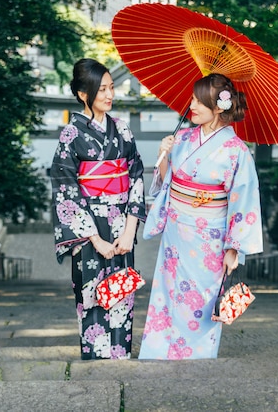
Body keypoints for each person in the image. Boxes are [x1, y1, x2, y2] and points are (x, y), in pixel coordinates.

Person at [138, 73, 263, 360]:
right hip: (175, 231)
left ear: (219, 107)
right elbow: (167, 184)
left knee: (200, 300)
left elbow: (244, 201)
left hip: (210, 238)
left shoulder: (236, 151)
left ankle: (196, 357)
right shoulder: (181, 138)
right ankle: (158, 351)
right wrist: (164, 156)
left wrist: (234, 248)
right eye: (192, 99)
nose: (191, 105)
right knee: (167, 294)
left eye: (198, 101)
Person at [50, 58, 146, 360]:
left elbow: (136, 177)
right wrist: (95, 239)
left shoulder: (122, 130)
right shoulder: (71, 135)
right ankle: (95, 357)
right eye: (101, 89)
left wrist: (130, 231)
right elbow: (65, 188)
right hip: (90, 229)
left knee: (121, 289)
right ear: (83, 94)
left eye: (111, 88)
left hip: (121, 227)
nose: (109, 95)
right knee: (91, 292)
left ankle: (121, 354)